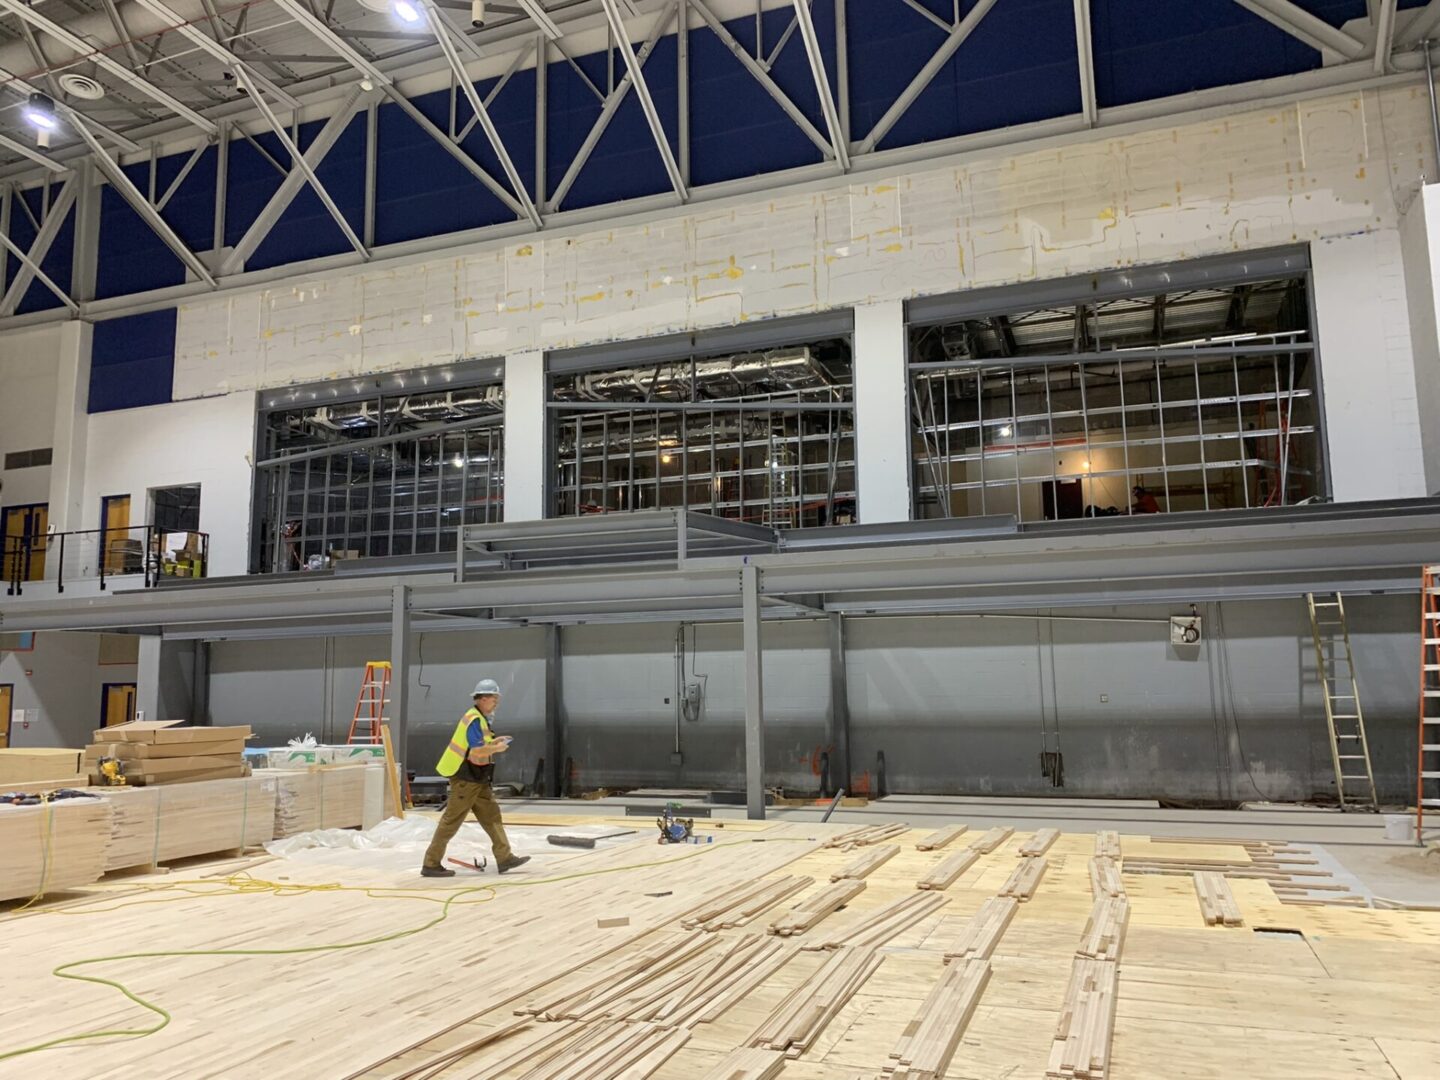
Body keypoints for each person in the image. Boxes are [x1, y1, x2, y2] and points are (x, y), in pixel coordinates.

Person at [421, 678, 531, 877]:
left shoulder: (481, 719)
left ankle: (504, 857)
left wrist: (494, 741)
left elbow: (481, 743)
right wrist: (497, 748)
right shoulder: (474, 719)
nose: (496, 702)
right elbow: (478, 750)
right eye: (494, 698)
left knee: (492, 817)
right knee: (451, 821)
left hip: (477, 779)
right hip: (465, 778)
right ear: (482, 699)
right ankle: (431, 863)